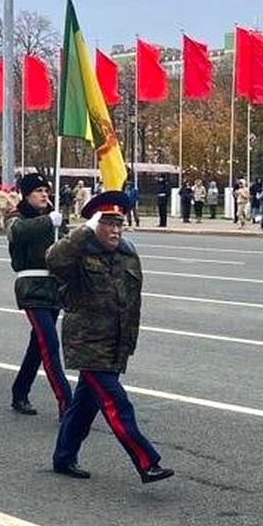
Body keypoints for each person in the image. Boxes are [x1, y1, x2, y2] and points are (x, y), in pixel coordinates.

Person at [47, 190, 173, 484]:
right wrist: (82, 232)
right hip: (88, 343)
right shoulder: (78, 252)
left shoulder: (128, 254)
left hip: (115, 343)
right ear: (94, 224)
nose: (116, 229)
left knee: (84, 406)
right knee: (117, 403)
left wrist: (128, 343)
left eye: (119, 223)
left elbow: (132, 303)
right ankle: (146, 462)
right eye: (108, 223)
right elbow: (54, 261)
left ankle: (64, 456)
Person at [7, 172, 72, 417]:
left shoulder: (53, 218)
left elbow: (67, 246)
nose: (45, 194)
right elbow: (17, 232)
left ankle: (20, 391)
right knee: (50, 343)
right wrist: (49, 222)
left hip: (54, 287)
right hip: (31, 286)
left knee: (39, 344)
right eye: (38, 191)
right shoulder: (18, 217)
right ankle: (67, 403)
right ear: (26, 195)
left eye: (46, 190)